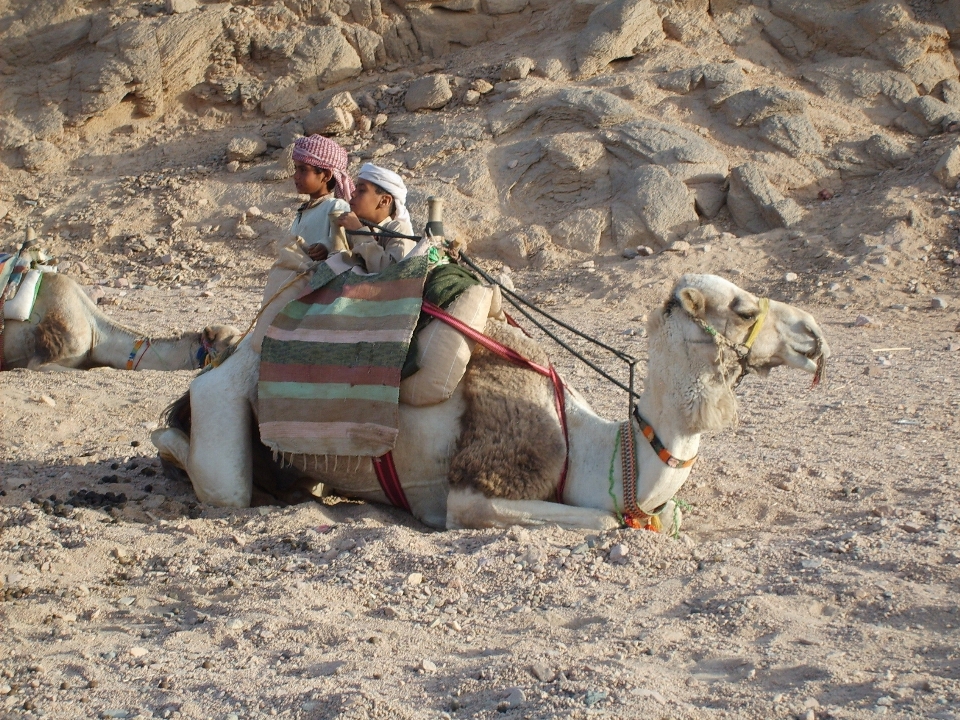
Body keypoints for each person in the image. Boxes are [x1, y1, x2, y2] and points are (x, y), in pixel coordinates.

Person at [335, 163, 417, 273]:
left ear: (384, 201)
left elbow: (391, 272)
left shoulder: (398, 229)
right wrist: (323, 247)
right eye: (355, 188)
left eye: (362, 190)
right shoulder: (352, 227)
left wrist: (359, 233)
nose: (353, 194)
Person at [289, 135, 355, 261]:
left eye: (303, 170)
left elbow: (347, 242)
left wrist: (326, 246)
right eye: (295, 168)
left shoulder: (336, 206)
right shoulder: (303, 212)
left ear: (326, 176)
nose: (296, 176)